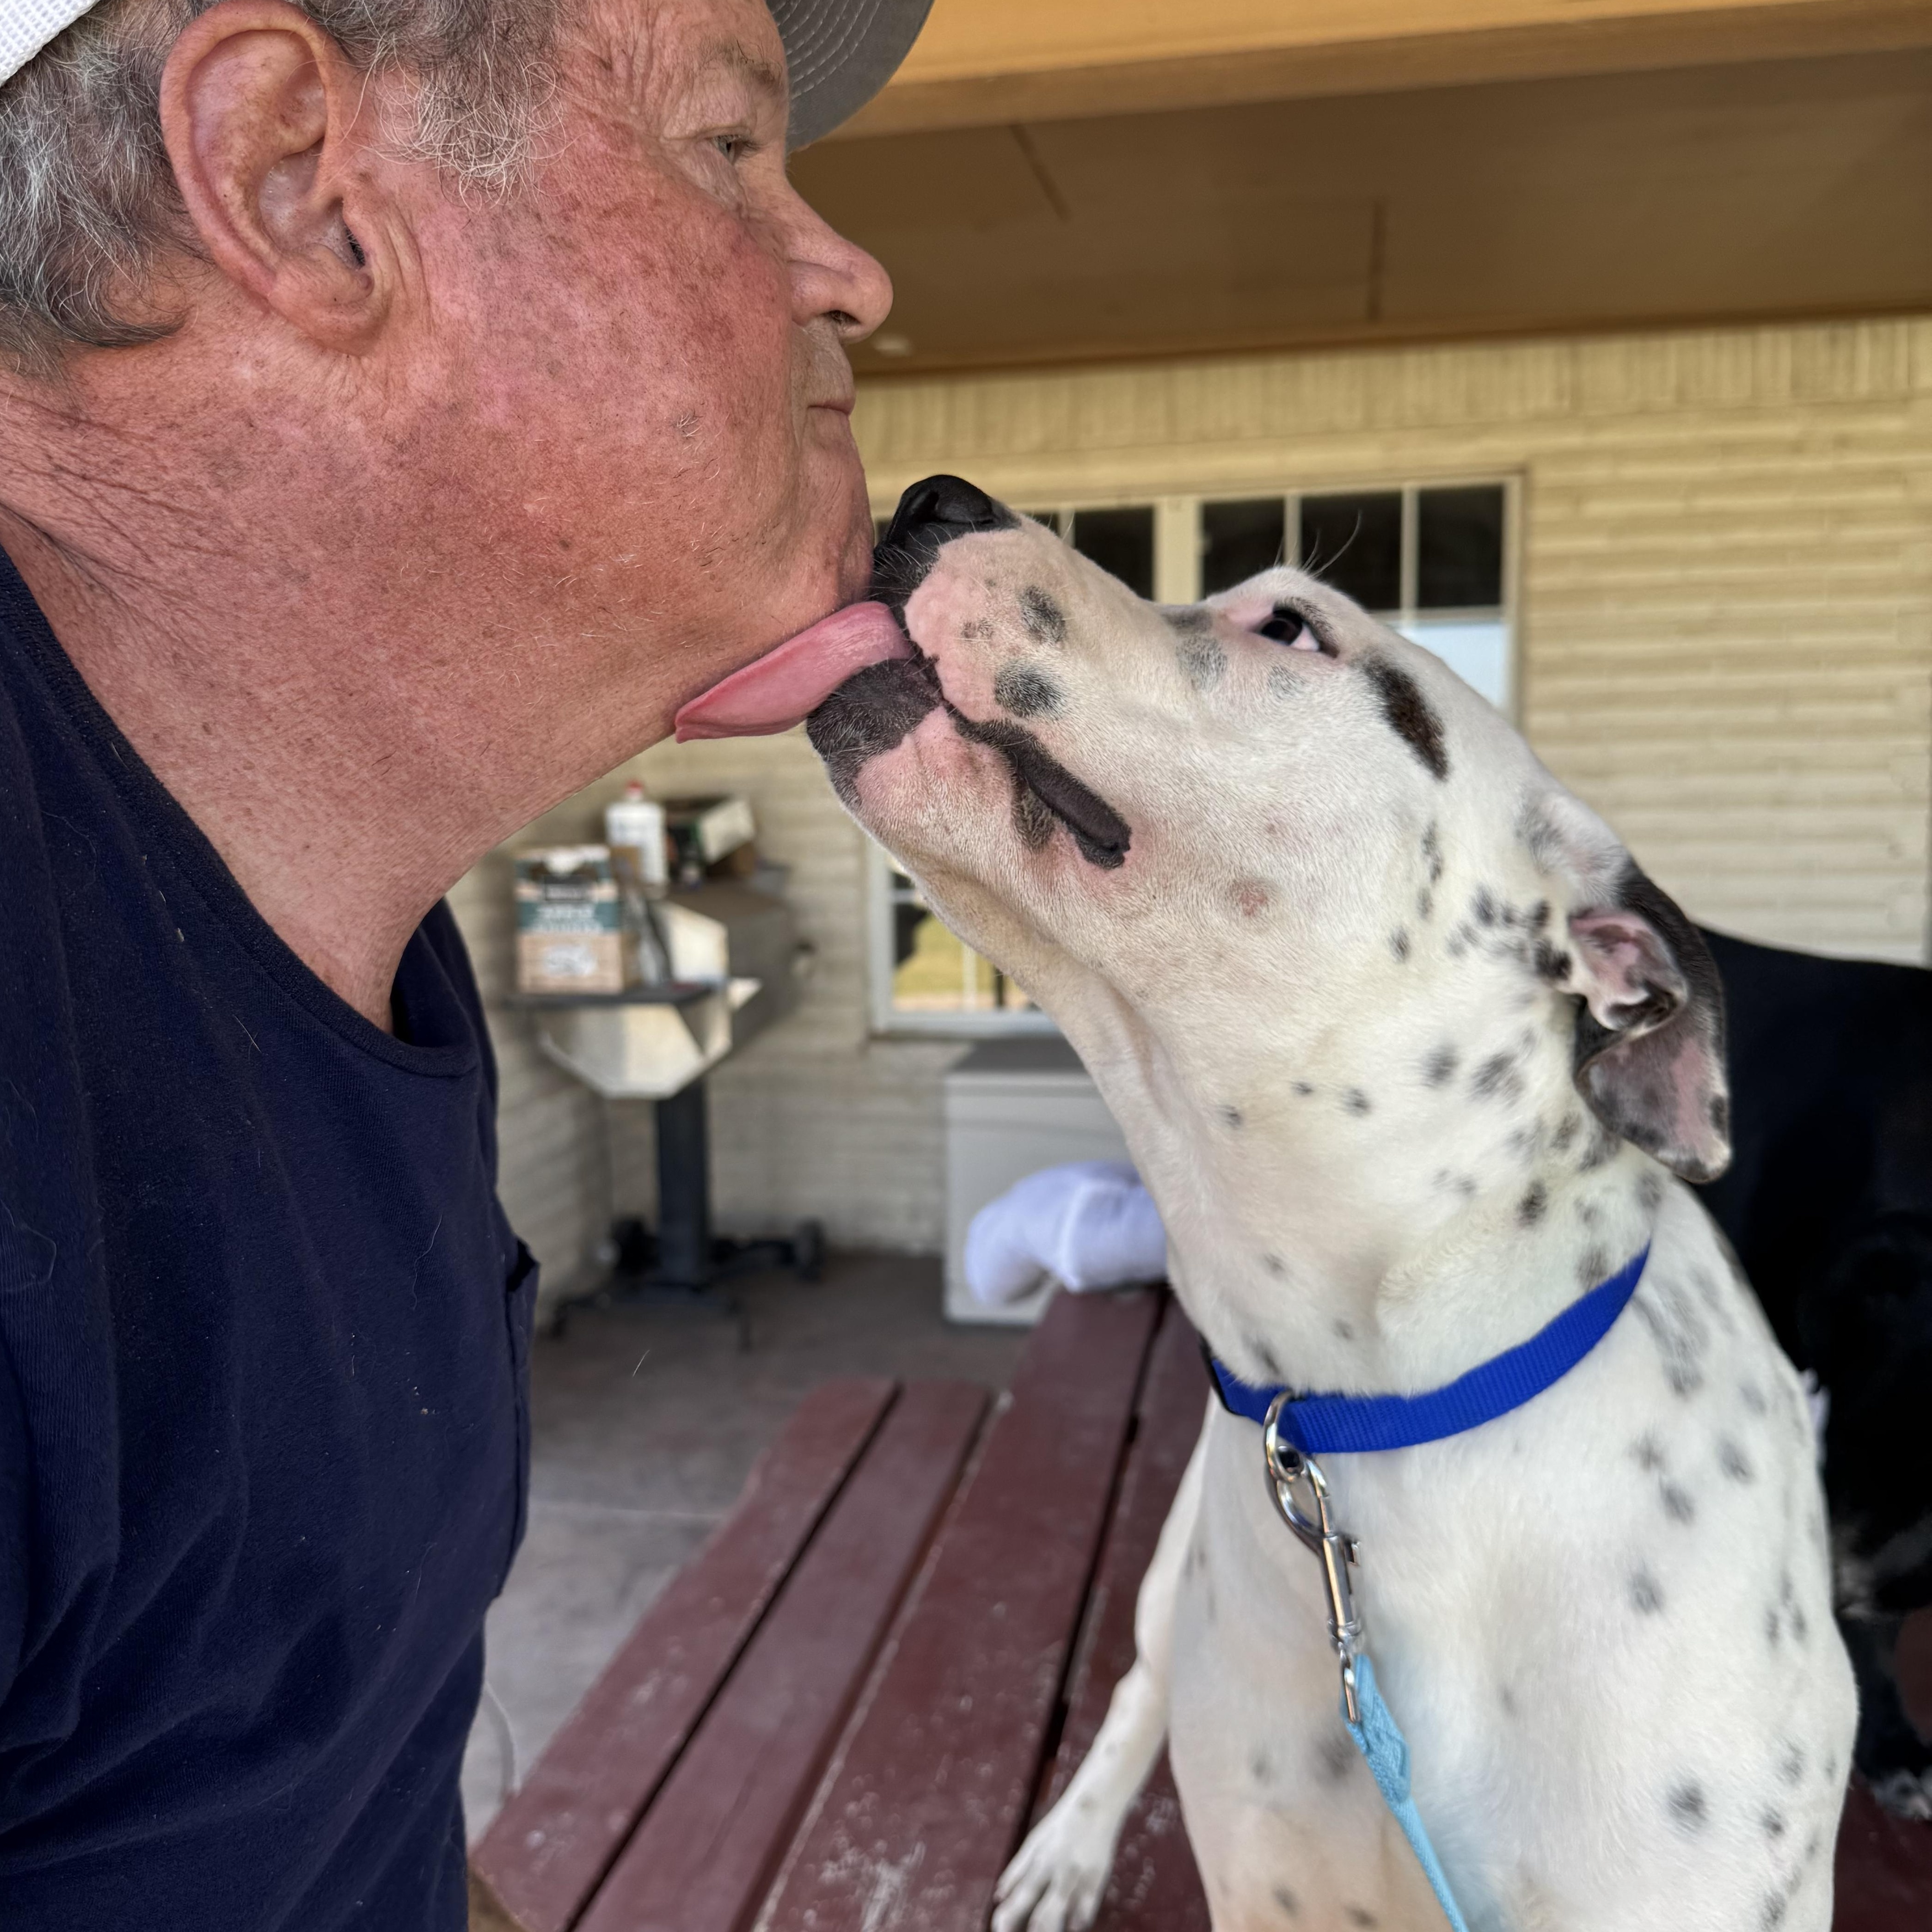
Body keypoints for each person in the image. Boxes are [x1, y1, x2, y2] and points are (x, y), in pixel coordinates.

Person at [0, 0, 920, 1920]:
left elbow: (341, 1832)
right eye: (729, 149)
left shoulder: (352, 911)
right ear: (296, 185)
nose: (852, 270)